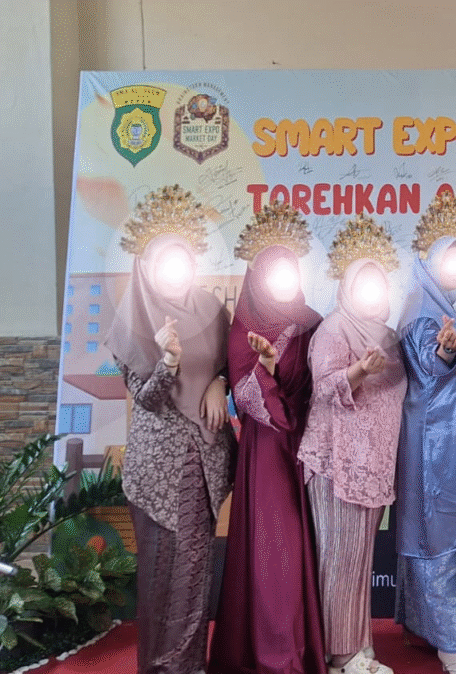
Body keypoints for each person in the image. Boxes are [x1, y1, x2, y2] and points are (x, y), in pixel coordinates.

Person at [105, 185, 235, 674]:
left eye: (182, 262)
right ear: (148, 268)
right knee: (162, 570)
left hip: (204, 459)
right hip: (159, 468)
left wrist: (220, 382)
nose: (175, 273)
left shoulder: (211, 311)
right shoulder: (134, 318)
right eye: (165, 264)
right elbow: (146, 398)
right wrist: (168, 361)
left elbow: (231, 363)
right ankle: (160, 667)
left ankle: (190, 664)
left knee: (195, 569)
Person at [209, 202, 327, 674]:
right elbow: (248, 397)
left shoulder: (311, 323)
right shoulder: (244, 329)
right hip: (267, 454)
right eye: (273, 273)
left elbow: (320, 385)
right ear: (256, 276)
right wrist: (269, 369)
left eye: (288, 272)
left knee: (302, 551)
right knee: (275, 550)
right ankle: (276, 655)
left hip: (306, 448)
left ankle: (301, 647)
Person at [297, 214, 407, 674]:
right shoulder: (334, 329)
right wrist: (359, 370)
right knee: (339, 561)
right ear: (346, 288)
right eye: (363, 284)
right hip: (336, 464)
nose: (371, 293)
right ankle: (340, 654)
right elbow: (323, 387)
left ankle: (358, 647)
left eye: (377, 285)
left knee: (359, 563)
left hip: (373, 466)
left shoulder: (388, 337)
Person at [393, 192, 456, 674]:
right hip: (433, 443)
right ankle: (451, 646)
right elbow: (432, 360)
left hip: (451, 439)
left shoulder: (443, 306)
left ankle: (427, 629)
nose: (455, 272)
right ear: (429, 264)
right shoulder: (423, 313)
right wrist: (447, 350)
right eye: (448, 262)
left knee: (448, 535)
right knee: (437, 537)